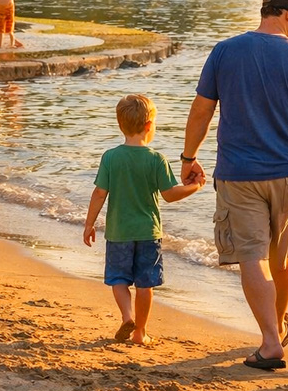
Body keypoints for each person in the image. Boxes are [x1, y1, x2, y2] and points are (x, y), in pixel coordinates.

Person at [181, 0, 288, 371]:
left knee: (253, 256)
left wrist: (189, 157)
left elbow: (201, 111)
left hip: (239, 173)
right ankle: (277, 328)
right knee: (281, 257)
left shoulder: (225, 51)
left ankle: (271, 339)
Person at [83, 95, 205, 345]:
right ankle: (140, 332)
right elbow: (170, 195)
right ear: (149, 126)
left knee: (118, 279)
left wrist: (89, 224)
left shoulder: (110, 157)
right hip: (148, 233)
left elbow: (99, 193)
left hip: (118, 233)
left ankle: (127, 316)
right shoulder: (156, 159)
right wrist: (196, 187)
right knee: (145, 284)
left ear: (120, 125)